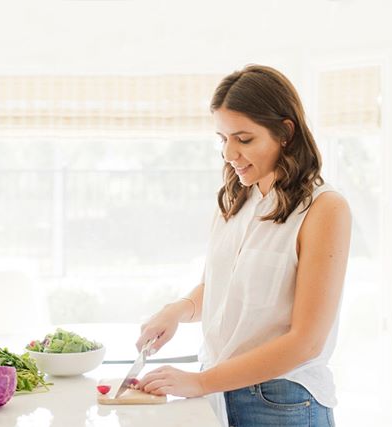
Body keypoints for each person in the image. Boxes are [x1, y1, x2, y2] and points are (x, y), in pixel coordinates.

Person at [135, 64, 351, 427]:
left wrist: (199, 382)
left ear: (285, 132)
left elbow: (306, 342)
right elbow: (221, 288)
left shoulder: (324, 209)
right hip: (219, 391)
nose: (229, 153)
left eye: (244, 139)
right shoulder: (235, 201)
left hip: (282, 400)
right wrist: (178, 310)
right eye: (223, 139)